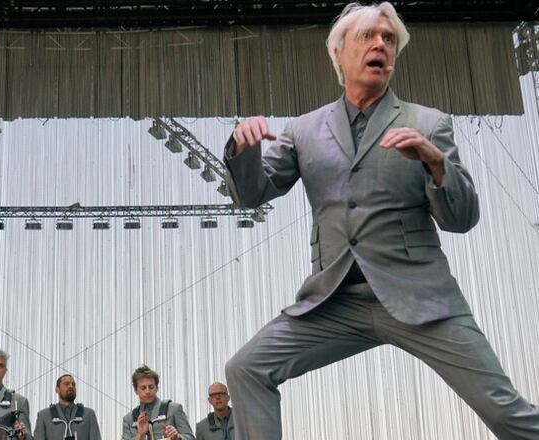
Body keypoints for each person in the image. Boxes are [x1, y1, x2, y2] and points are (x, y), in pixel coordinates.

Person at [222, 2, 539, 439]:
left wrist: (435, 163)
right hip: (334, 303)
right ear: (338, 54)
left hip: (421, 300)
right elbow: (251, 194)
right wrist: (243, 147)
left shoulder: (428, 123)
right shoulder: (304, 130)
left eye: (388, 40)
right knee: (246, 368)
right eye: (368, 37)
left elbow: (462, 219)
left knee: (508, 414)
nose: (380, 45)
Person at [120, 365, 194, 440]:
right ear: (135, 390)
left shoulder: (173, 408)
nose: (147, 391)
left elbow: (191, 438)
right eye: (143, 388)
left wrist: (177, 437)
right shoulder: (129, 419)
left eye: (151, 387)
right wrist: (140, 435)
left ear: (157, 388)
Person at [33, 374, 101, 440]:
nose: (71, 386)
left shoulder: (88, 414)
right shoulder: (44, 415)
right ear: (57, 389)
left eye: (73, 384)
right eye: (66, 384)